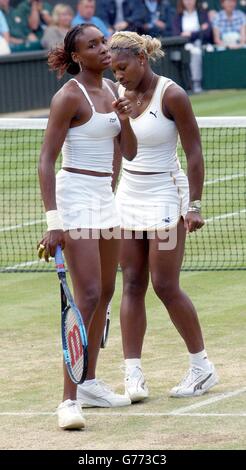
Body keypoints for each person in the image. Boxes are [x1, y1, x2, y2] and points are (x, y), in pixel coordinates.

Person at [109, 31, 219, 402]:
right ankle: (132, 375)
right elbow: (124, 154)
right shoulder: (118, 96)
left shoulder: (172, 94)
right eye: (114, 69)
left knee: (166, 286)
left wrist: (195, 205)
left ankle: (202, 368)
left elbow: (194, 154)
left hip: (166, 198)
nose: (118, 75)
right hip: (129, 197)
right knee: (132, 284)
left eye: (123, 67)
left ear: (142, 59)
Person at [38, 24, 137, 429]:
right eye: (93, 46)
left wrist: (126, 118)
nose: (103, 50)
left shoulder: (116, 92)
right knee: (89, 295)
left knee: (108, 291)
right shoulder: (67, 97)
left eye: (104, 43)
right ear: (77, 56)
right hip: (74, 196)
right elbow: (46, 160)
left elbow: (127, 152)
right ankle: (68, 399)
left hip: (104, 199)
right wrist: (54, 221)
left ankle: (91, 382)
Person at [172, 0, 213, 93]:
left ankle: (201, 83)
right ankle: (196, 83)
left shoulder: (202, 14)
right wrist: (198, 31)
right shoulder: (178, 17)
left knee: (198, 49)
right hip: (184, 46)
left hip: (201, 43)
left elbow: (206, 33)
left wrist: (190, 34)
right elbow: (177, 35)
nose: (189, 2)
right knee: (194, 51)